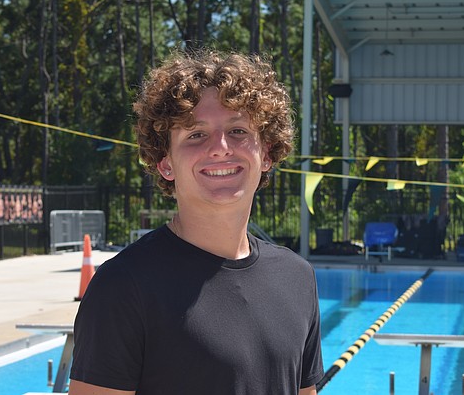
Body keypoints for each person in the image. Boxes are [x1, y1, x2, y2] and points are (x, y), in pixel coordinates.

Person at [69, 50, 324, 395]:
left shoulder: (297, 277)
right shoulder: (124, 286)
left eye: (237, 130)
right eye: (195, 135)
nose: (220, 148)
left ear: (266, 153)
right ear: (165, 164)